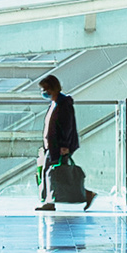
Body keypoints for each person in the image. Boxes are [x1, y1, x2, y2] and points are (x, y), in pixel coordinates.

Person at [35, 74, 96, 212]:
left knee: (53, 173)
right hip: (52, 146)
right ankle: (84, 195)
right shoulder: (55, 103)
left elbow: (66, 126)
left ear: (53, 88)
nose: (44, 92)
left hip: (59, 146)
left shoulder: (63, 104)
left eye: (45, 89)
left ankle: (51, 202)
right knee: (56, 174)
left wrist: (65, 145)